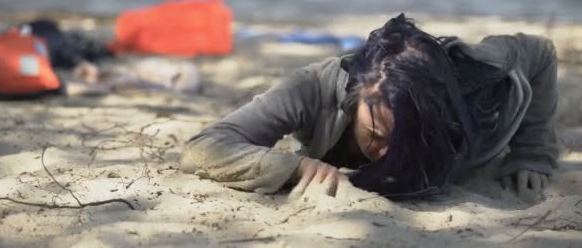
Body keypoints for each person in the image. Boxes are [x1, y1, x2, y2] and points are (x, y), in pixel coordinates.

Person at [180, 14, 558, 201]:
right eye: (377, 135)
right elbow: (206, 145)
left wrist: (531, 153)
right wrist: (294, 167)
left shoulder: (484, 86)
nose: (389, 153)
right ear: (356, 94)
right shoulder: (313, 88)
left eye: (410, 136)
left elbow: (540, 51)